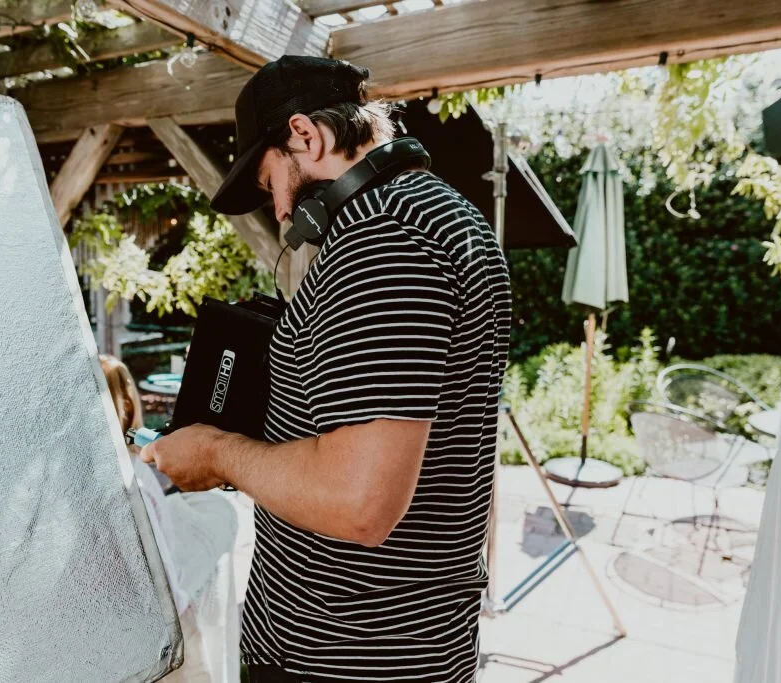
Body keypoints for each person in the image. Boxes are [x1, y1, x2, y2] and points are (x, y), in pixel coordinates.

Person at [140, 56, 512, 682]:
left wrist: (217, 452)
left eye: (271, 185)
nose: (282, 214)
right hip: (397, 645)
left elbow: (357, 501)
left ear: (306, 137)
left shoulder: (383, 240)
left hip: (343, 655)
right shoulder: (440, 214)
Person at [99, 354, 240, 683]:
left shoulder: (69, 489)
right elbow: (181, 559)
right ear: (128, 407)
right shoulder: (140, 479)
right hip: (163, 645)